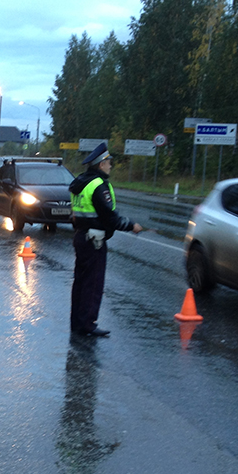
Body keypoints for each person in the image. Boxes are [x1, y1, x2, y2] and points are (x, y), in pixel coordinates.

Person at [68, 142, 142, 337]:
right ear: (101, 164)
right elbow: (109, 217)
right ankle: (88, 324)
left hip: (81, 237)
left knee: (80, 282)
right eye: (109, 162)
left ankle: (77, 321)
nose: (111, 165)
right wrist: (130, 225)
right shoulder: (99, 185)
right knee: (93, 284)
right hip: (95, 241)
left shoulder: (80, 182)